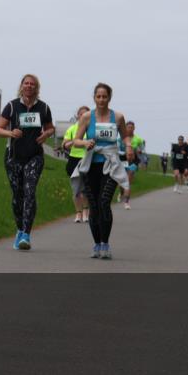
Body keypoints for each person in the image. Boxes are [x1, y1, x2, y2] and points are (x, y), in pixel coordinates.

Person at [69, 83, 132, 260]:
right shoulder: (87, 117)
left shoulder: (118, 117)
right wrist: (85, 143)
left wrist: (127, 146)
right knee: (95, 206)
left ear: (109, 98)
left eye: (105, 96)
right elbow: (76, 140)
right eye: (98, 96)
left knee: (104, 202)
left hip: (111, 164)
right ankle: (96, 244)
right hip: (91, 165)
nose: (102, 99)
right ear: (94, 98)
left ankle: (105, 243)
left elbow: (125, 135)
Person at [0, 74, 55, 251]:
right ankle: (19, 229)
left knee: (29, 191)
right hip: (13, 157)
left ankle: (26, 235)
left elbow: (50, 127)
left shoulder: (43, 108)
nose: (29, 86)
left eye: (32, 84)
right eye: (26, 83)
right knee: (17, 195)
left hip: (34, 156)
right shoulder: (12, 106)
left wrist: (46, 134)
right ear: (21, 86)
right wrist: (11, 133)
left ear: (37, 88)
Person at [62, 106, 91, 223]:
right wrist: (70, 143)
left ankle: (85, 212)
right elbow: (64, 145)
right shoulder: (72, 129)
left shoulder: (91, 129)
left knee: (86, 189)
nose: (83, 117)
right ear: (78, 116)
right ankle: (78, 213)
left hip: (88, 159)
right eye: (81, 115)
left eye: (86, 114)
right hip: (74, 159)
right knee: (76, 189)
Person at [117, 121, 145, 210]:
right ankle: (121, 193)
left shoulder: (138, 139)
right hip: (122, 160)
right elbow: (117, 150)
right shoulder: (120, 139)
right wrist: (125, 152)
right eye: (128, 127)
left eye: (131, 127)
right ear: (125, 128)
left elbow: (142, 148)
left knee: (128, 180)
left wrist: (139, 150)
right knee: (121, 181)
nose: (130, 129)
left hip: (133, 161)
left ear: (134, 128)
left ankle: (126, 202)